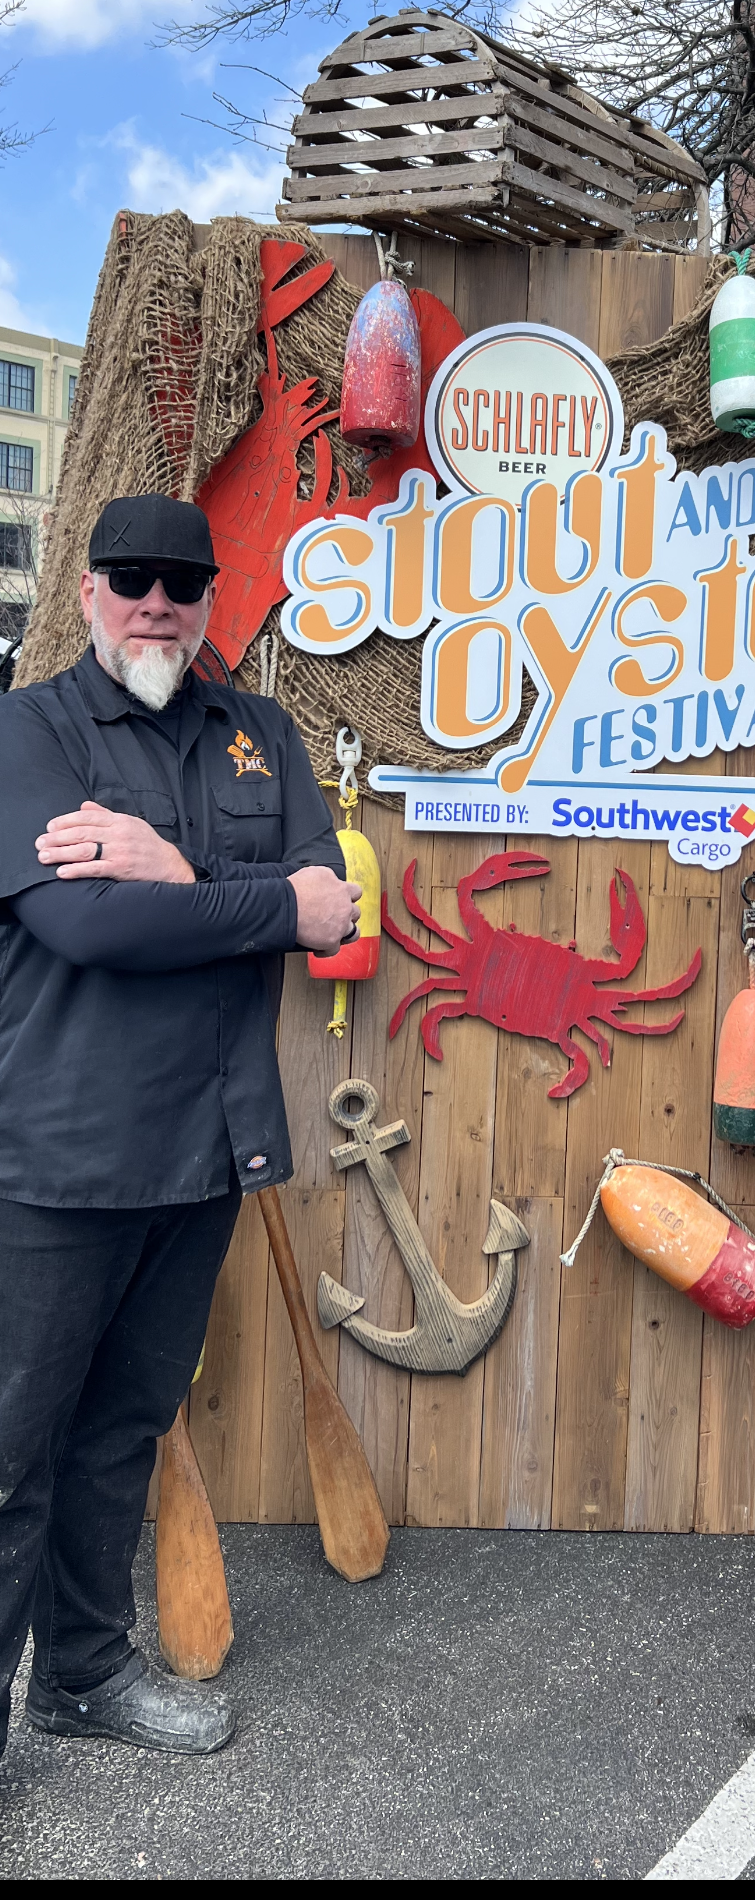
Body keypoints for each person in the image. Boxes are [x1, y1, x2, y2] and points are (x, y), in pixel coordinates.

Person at [0, 494, 359, 1766]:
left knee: (121, 1434)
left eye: (181, 581)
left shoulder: (261, 732)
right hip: (52, 1160)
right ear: (89, 589)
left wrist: (182, 876)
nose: (156, 601)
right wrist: (263, 900)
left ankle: (83, 1675)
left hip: (209, 1154)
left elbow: (339, 914)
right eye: (131, 577)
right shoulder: (30, 732)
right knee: (10, 1453)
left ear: (211, 600)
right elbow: (84, 926)